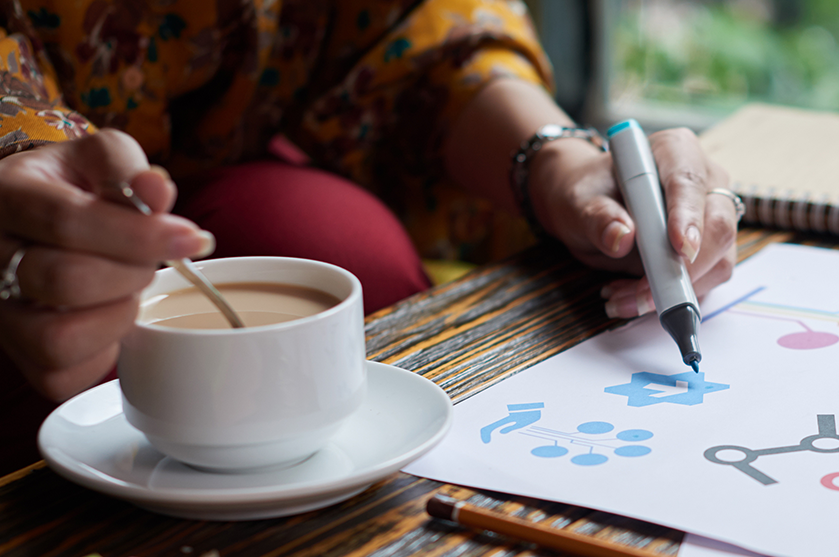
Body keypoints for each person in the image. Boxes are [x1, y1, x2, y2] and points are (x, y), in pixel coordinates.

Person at [0, 0, 740, 474]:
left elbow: (412, 29)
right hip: (35, 184)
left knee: (339, 247)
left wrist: (558, 162)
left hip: (242, 151)